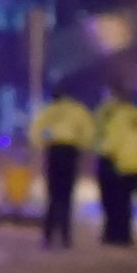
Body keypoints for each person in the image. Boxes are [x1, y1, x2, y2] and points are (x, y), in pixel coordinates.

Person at [95, 85, 137, 250]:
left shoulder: (117, 117)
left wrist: (104, 154)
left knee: (124, 204)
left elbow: (112, 142)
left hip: (124, 166)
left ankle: (124, 236)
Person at [29, 85, 95, 250]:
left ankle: (48, 235)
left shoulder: (48, 111)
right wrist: (81, 145)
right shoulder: (77, 110)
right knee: (67, 196)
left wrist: (45, 142)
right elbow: (88, 131)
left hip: (54, 151)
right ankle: (65, 236)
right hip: (70, 151)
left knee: (52, 195)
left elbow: (36, 132)